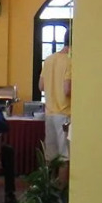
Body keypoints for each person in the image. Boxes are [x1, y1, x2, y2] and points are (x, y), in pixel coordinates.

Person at [39, 28, 72, 160]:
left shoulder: (49, 59)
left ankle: (50, 175)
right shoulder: (71, 61)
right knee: (65, 157)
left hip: (49, 113)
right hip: (65, 114)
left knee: (51, 157)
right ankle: (62, 177)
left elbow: (41, 86)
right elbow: (67, 89)